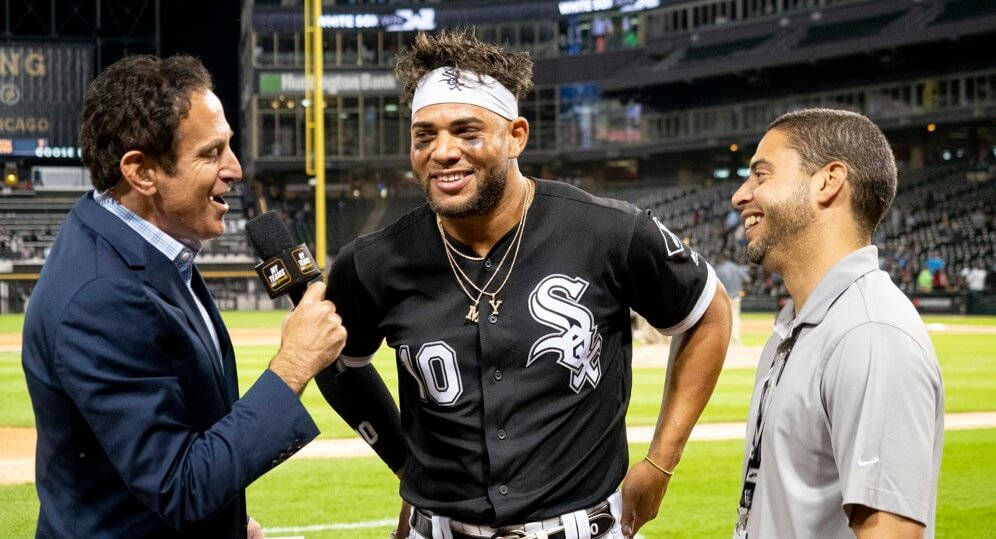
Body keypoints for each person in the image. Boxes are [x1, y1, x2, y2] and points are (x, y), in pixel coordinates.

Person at [316, 29, 732, 539]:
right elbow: (338, 364)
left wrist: (662, 462)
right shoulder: (374, 260)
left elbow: (708, 312)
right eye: (425, 135)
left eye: (467, 132)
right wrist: (405, 464)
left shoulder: (609, 230)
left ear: (516, 135)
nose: (442, 151)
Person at [21, 55, 347, 538]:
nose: (234, 169)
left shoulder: (142, 246)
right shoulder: (101, 297)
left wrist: (234, 525)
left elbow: (175, 436)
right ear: (142, 172)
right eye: (211, 153)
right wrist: (294, 365)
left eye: (229, 147)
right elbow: (178, 485)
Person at [731, 108, 943, 538]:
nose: (740, 195)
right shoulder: (801, 326)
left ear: (828, 181)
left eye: (761, 175)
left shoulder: (871, 334)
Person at [713, 253, 750, 344]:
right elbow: (747, 279)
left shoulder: (719, 269)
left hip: (724, 297)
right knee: (736, 317)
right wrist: (741, 287)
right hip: (736, 296)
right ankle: (735, 339)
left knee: (723, 319)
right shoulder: (736, 268)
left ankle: (725, 340)